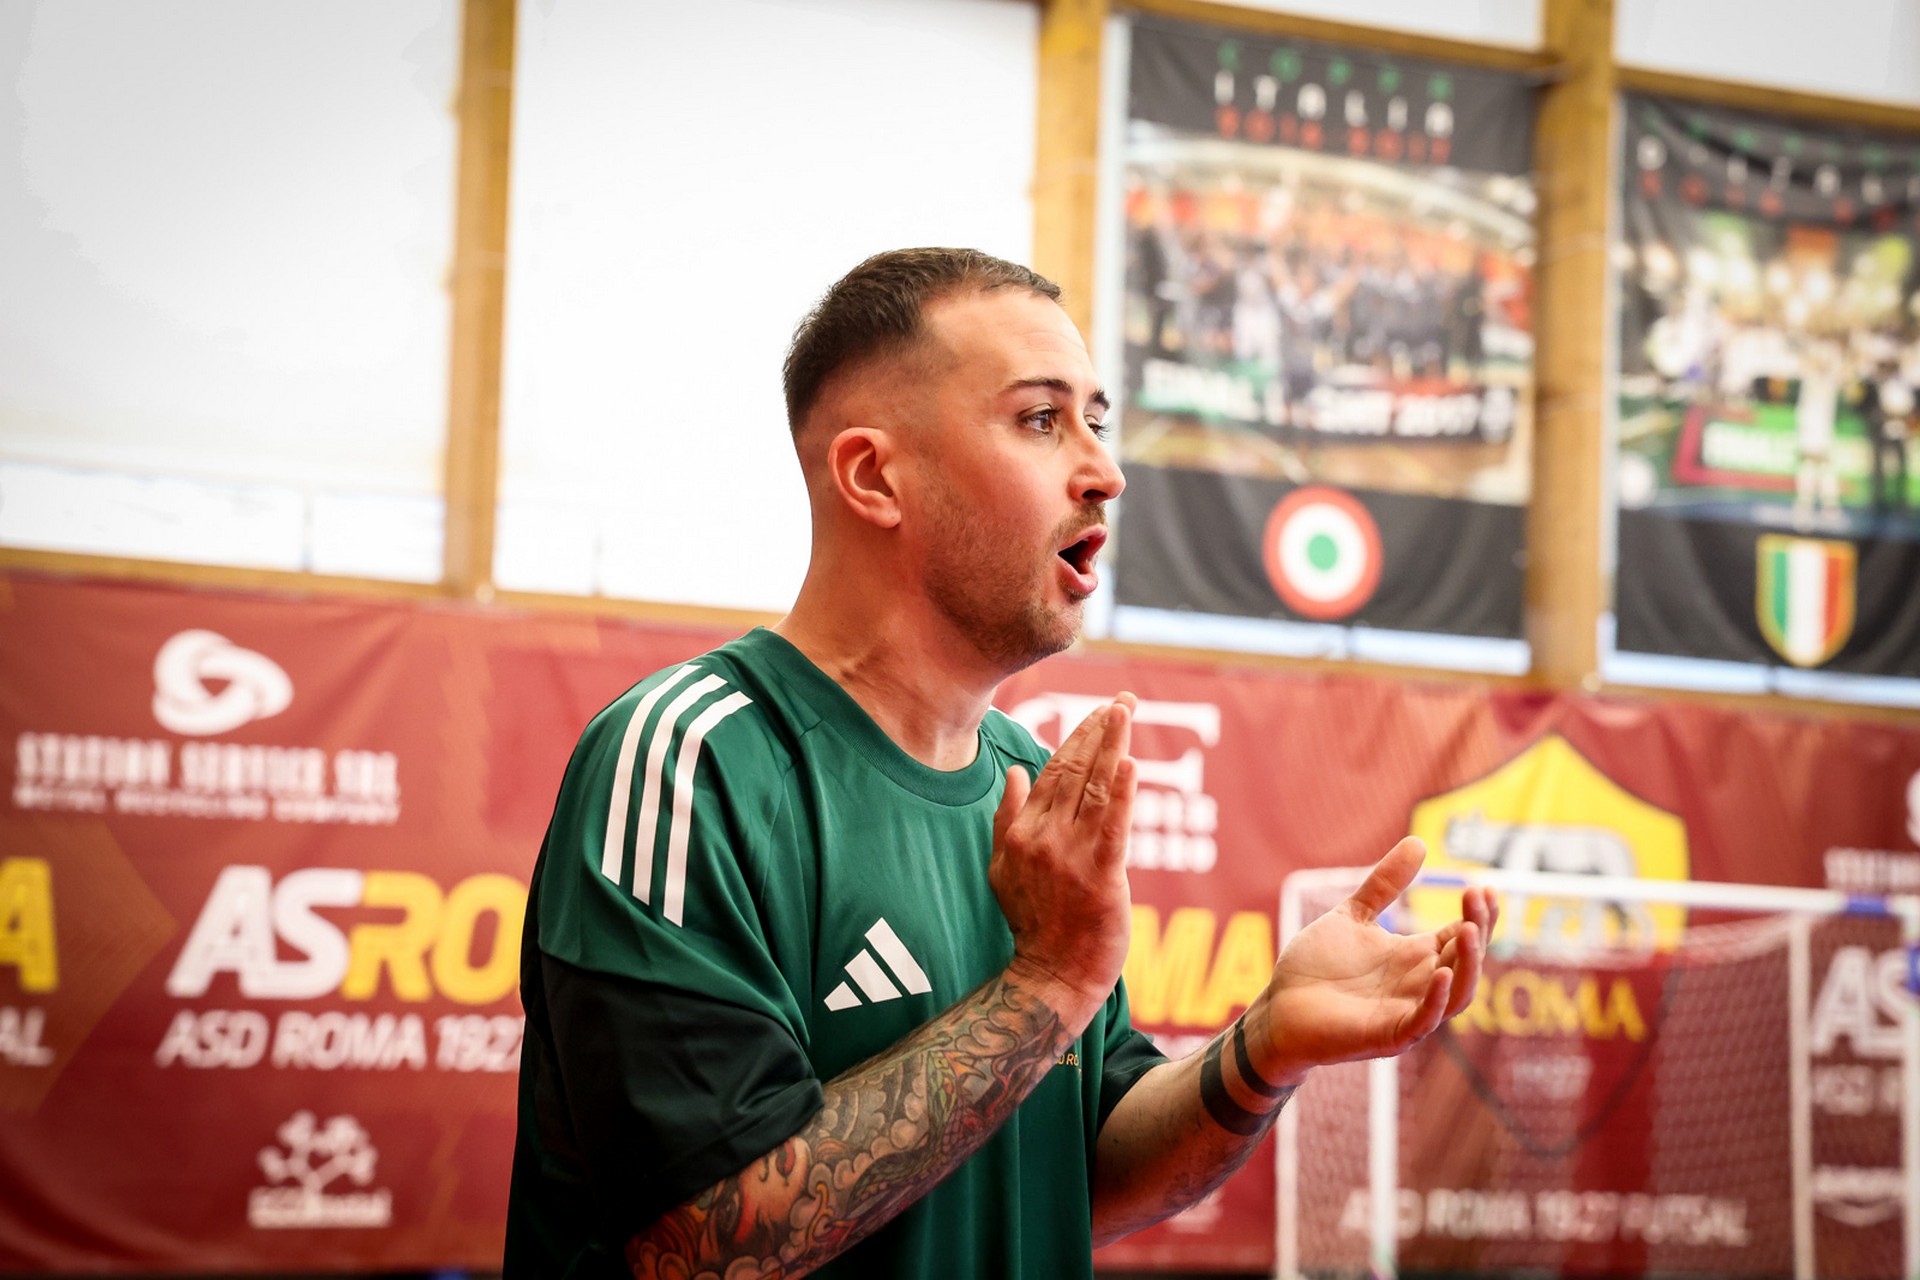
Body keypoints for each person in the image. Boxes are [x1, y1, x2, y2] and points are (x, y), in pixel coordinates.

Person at [503, 248, 1497, 1280]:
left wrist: (1264, 1047)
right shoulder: (691, 757)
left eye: (1097, 422)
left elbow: (1086, 1168)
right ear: (873, 475)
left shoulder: (1030, 783)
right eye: (1040, 419)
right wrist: (1047, 983)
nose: (1105, 471)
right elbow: (700, 1248)